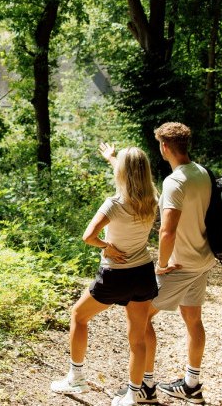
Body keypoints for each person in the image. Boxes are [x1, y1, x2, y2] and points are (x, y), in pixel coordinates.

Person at [51, 144, 159, 406]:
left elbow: (88, 237)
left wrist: (106, 246)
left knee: (79, 315)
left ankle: (76, 377)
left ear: (122, 172)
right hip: (144, 273)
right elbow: (134, 176)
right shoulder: (153, 198)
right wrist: (112, 158)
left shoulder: (113, 204)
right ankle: (135, 393)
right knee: (138, 336)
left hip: (115, 276)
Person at [145, 121, 216, 405]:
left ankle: (144, 386)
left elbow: (168, 230)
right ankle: (192, 384)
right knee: (193, 320)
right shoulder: (202, 173)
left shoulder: (174, 181)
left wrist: (161, 263)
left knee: (140, 316)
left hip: (179, 264)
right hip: (202, 258)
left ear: (164, 147)